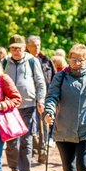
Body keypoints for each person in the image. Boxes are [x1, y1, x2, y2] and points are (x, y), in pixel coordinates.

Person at [3, 34, 46, 171]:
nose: (16, 51)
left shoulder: (32, 61)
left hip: (28, 105)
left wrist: (40, 100)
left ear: (24, 48)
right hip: (9, 107)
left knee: (26, 141)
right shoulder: (4, 62)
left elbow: (40, 83)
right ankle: (14, 169)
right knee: (12, 142)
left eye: (19, 48)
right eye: (13, 48)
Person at [26, 35, 55, 163]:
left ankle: (43, 152)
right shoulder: (24, 60)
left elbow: (54, 79)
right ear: (27, 46)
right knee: (31, 126)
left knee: (44, 125)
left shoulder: (46, 60)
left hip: (45, 98)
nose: (37, 48)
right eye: (33, 45)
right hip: (29, 99)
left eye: (38, 45)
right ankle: (32, 151)